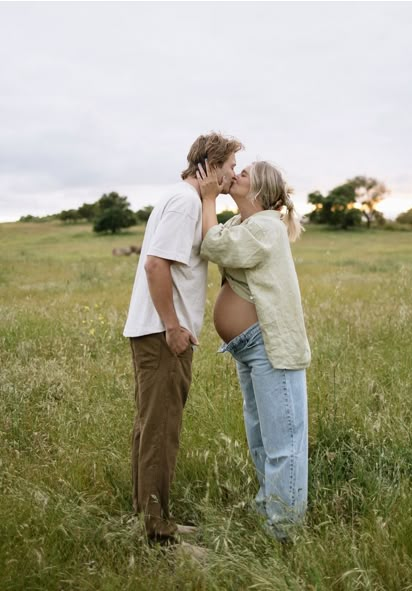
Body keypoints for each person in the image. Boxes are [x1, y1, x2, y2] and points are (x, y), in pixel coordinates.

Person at [123, 132, 243, 545]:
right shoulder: (185, 203)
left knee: (152, 427)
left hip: (159, 332)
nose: (233, 176)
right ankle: (157, 533)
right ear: (209, 167)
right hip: (162, 335)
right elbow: (156, 266)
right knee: (160, 430)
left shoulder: (187, 201)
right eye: (229, 167)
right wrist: (173, 326)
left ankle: (149, 516)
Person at [198, 160, 311, 540]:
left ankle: (284, 531)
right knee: (261, 439)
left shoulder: (266, 226)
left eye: (243, 173)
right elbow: (212, 237)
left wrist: (208, 198)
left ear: (259, 188)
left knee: (283, 443)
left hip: (270, 346)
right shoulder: (241, 224)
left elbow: (213, 245)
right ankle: (269, 507)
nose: (237, 175)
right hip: (248, 348)